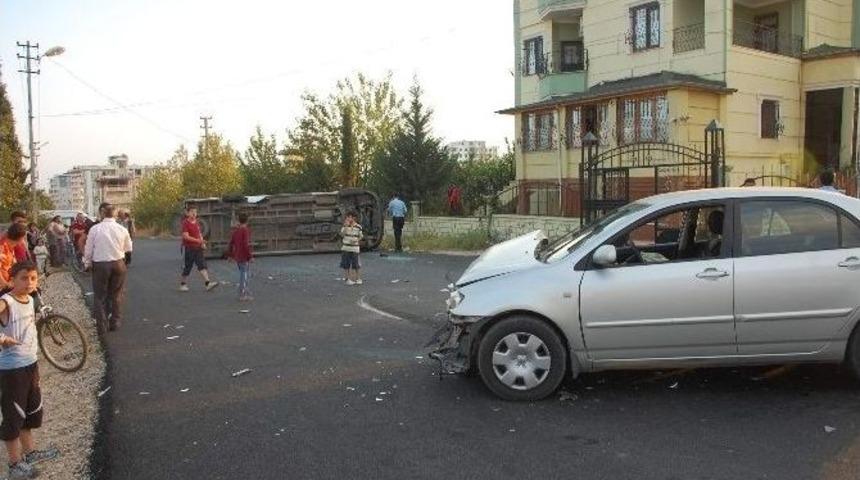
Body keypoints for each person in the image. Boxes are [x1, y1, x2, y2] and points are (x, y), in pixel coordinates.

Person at [0, 261, 60, 479]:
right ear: (12, 280)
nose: (29, 282)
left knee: (30, 411)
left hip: (30, 364)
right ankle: (15, 464)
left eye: (33, 278)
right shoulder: (6, 301)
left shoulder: (30, 299)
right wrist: (2, 338)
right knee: (13, 415)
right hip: (11, 370)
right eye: (24, 278)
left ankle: (30, 453)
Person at [83, 204, 133, 334]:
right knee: (116, 294)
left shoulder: (95, 229)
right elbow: (128, 248)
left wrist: (87, 263)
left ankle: (101, 326)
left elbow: (88, 249)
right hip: (118, 264)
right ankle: (114, 322)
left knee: (100, 296)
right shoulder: (122, 229)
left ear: (103, 214)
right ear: (115, 215)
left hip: (100, 265)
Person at [179, 206, 219, 292]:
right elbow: (185, 236)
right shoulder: (185, 223)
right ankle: (183, 284)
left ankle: (207, 283)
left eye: (195, 212)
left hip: (198, 248)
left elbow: (199, 233)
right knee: (188, 267)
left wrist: (202, 243)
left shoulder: (196, 222)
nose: (194, 214)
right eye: (192, 212)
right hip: (190, 249)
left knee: (202, 265)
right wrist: (198, 241)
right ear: (188, 213)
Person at [226, 213, 253, 301]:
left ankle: (245, 292)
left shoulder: (236, 231)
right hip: (244, 256)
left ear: (239, 220)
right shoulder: (245, 230)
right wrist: (250, 256)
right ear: (247, 221)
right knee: (244, 275)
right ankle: (242, 294)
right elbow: (246, 244)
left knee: (242, 274)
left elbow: (231, 243)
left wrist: (230, 255)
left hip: (237, 256)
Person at [0, 224, 27, 291]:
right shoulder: (2, 247)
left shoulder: (10, 246)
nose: (23, 240)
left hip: (8, 281)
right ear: (20, 238)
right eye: (23, 238)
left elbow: (13, 262)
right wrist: (4, 284)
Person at [340, 210, 363, 286]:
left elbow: (361, 236)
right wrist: (346, 226)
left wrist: (356, 240)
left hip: (355, 248)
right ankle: (348, 279)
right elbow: (342, 235)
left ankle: (358, 278)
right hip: (346, 247)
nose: (348, 219)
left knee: (356, 264)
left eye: (350, 217)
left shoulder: (358, 227)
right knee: (346, 264)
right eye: (347, 217)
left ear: (354, 218)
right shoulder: (344, 226)